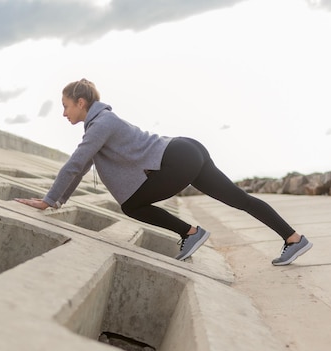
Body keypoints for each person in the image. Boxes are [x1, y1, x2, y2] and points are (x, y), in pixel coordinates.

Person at [15, 79, 312, 265]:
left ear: (82, 103)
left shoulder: (101, 124)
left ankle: (191, 233)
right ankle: (293, 238)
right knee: (239, 198)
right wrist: (57, 199)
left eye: (66, 106)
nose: (63, 112)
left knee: (132, 205)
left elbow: (76, 163)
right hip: (184, 150)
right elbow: (81, 168)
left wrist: (48, 201)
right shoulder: (101, 123)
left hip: (177, 157)